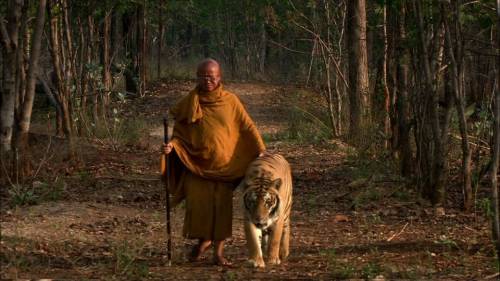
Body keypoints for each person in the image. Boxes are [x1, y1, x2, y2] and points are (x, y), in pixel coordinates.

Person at [162, 59, 265, 266]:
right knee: (200, 208)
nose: (208, 80)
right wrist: (172, 146)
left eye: (212, 76)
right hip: (196, 165)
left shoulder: (230, 101)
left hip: (224, 168)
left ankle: (218, 254)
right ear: (197, 77)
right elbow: (180, 132)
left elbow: (247, 126)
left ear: (220, 77)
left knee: (221, 210)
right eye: (203, 76)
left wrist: (261, 149)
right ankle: (202, 243)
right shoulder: (190, 101)